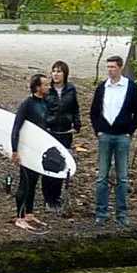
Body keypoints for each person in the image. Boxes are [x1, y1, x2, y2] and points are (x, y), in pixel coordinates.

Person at [90, 52, 137, 224]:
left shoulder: (131, 87)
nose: (110, 70)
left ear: (120, 68)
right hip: (105, 136)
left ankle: (122, 214)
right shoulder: (102, 87)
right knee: (102, 177)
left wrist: (130, 131)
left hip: (122, 137)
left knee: (122, 177)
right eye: (108, 67)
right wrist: (98, 130)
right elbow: (94, 112)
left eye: (113, 67)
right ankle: (101, 213)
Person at [9, 74, 50, 231]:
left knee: (33, 183)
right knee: (24, 183)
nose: (49, 87)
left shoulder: (44, 103)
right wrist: (15, 150)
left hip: (38, 150)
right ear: (38, 88)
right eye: (45, 85)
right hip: (26, 150)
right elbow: (16, 128)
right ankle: (19, 217)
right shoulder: (27, 104)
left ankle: (29, 214)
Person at [42, 60, 82, 217]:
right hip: (49, 131)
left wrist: (76, 126)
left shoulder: (71, 90)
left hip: (65, 133)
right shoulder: (47, 90)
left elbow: (75, 109)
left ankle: (56, 196)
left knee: (61, 163)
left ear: (65, 74)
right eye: (54, 71)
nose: (56, 74)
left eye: (59, 71)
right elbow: (42, 109)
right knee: (48, 163)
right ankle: (48, 198)